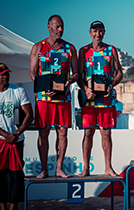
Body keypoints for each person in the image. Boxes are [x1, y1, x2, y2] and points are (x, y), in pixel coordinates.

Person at [29, 15, 79, 178]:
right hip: (44, 98)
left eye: (62, 26)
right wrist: (45, 87)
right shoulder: (38, 47)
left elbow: (76, 73)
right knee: (43, 133)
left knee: (62, 132)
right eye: (57, 27)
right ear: (49, 27)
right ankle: (44, 168)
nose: (60, 30)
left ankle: (59, 168)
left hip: (63, 97)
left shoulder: (70, 48)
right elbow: (33, 73)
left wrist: (69, 81)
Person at [77, 20, 123, 177]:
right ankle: (85, 168)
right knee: (88, 133)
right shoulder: (83, 51)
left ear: (104, 32)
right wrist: (85, 89)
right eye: (95, 31)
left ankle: (108, 167)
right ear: (90, 32)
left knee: (106, 134)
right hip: (89, 99)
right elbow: (78, 75)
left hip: (106, 99)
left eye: (101, 31)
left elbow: (119, 73)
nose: (98, 34)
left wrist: (112, 85)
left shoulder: (111, 50)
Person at [0, 63, 33, 210]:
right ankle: (2, 206)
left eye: (6, 74)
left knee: (15, 175)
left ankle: (13, 207)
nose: (5, 77)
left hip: (16, 140)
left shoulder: (18, 90)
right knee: (0, 176)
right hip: (2, 140)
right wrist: (5, 135)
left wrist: (17, 133)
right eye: (2, 75)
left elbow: (29, 115)